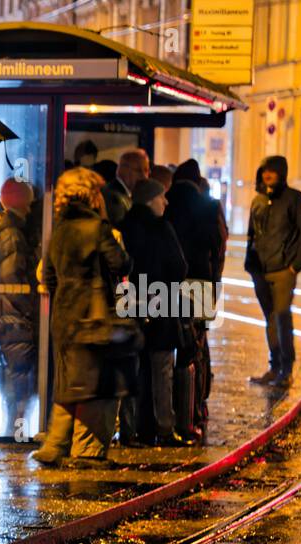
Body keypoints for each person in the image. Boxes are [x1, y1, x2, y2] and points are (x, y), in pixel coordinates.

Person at [34, 166, 134, 469]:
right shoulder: (98, 228)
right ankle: (87, 451)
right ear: (92, 194)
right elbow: (121, 263)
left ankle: (56, 444)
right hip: (94, 314)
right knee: (97, 384)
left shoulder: (59, 230)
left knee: (68, 380)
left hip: (64, 315)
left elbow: (47, 275)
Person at [119, 177, 190, 447]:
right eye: (162, 197)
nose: (166, 202)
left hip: (130, 303)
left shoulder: (124, 226)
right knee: (162, 371)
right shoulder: (162, 227)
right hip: (160, 303)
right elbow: (179, 267)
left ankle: (131, 430)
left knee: (132, 368)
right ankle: (164, 428)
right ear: (151, 200)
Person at [165, 158, 226, 442]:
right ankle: (193, 411)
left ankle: (169, 412)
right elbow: (218, 247)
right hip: (200, 284)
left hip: (165, 284)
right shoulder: (209, 206)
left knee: (167, 345)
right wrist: (214, 282)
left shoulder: (166, 202)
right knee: (195, 347)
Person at [245, 155, 301, 388]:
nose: (268, 175)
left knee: (281, 316)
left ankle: (286, 369)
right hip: (260, 270)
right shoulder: (258, 200)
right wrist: (251, 264)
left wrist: (295, 265)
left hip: (283, 270)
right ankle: (274, 367)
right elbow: (251, 235)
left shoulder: (294, 200)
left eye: (272, 171)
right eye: (265, 170)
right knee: (270, 319)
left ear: (281, 174)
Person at [0, 177, 38, 439]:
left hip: (2, 313)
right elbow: (12, 278)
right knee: (19, 378)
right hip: (14, 315)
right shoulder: (13, 235)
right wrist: (31, 307)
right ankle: (15, 434)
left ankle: (11, 432)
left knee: (11, 376)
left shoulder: (0, 229)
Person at [103, 148, 150, 226]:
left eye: (147, 170)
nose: (144, 176)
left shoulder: (124, 194)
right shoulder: (114, 198)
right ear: (124, 170)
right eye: (139, 170)